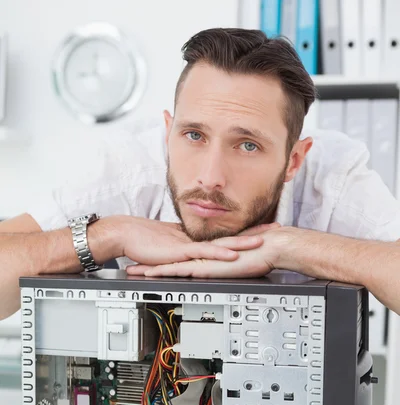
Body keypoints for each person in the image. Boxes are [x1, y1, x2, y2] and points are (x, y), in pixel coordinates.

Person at [1, 28, 399, 320]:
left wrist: (291, 247)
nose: (210, 178)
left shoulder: (333, 178)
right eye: (194, 135)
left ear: (293, 161)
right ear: (168, 130)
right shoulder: (131, 167)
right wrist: (108, 234)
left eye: (247, 145)